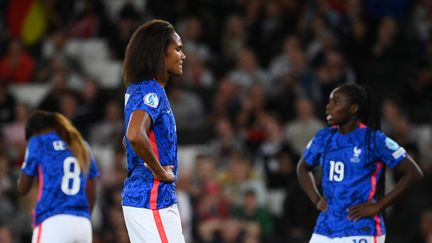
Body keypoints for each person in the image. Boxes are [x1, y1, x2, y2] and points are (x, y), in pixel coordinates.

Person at [296, 84, 423, 243]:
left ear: (353, 108)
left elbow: (414, 173)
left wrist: (379, 206)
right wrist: (316, 198)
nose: (328, 107)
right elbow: (303, 167)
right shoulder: (324, 137)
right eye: (329, 102)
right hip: (326, 227)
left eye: (336, 102)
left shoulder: (374, 139)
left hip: (360, 227)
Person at [121, 19, 186, 243]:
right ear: (159, 53)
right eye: (177, 49)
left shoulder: (141, 89)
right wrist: (159, 171)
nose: (183, 55)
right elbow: (134, 135)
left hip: (153, 199)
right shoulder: (150, 90)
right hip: (151, 198)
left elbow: (127, 139)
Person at [18, 110, 99, 243]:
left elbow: (23, 188)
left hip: (53, 220)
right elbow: (92, 192)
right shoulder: (82, 145)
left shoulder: (39, 142)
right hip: (83, 224)